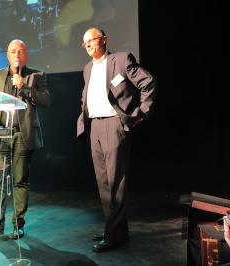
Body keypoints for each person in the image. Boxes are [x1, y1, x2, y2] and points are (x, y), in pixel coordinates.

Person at [77, 28, 157, 252]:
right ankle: (116, 231)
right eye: (85, 44)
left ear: (103, 40)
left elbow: (148, 83)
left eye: (91, 41)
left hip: (114, 126)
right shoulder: (87, 68)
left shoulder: (121, 60)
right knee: (104, 184)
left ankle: (113, 236)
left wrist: (139, 114)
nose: (88, 46)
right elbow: (87, 96)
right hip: (95, 126)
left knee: (116, 184)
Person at [0, 40, 50, 239]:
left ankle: (18, 224)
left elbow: (45, 101)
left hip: (22, 135)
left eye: (21, 51)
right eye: (13, 51)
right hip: (0, 134)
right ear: (7, 55)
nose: (17, 55)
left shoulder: (37, 75)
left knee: (20, 180)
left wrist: (24, 87)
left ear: (26, 55)